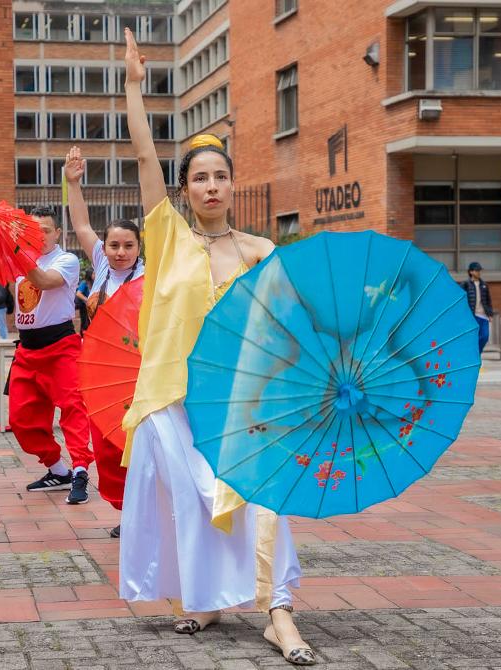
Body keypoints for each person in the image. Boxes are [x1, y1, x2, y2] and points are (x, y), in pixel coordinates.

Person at [118, 28, 314, 666]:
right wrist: (134, 89)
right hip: (173, 397)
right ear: (185, 189)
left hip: (243, 400)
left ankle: (278, 613)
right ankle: (204, 600)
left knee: (261, 499)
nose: (210, 186)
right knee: (191, 503)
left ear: (233, 184)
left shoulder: (261, 252)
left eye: (220, 176)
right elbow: (144, 159)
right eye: (199, 178)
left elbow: (288, 327)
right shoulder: (167, 238)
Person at [65, 145, 145, 538]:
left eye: (128, 245)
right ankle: (128, 512)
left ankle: (147, 515)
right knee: (107, 447)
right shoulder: (99, 266)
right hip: (100, 377)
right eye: (114, 245)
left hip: (139, 377)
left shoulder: (150, 277)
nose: (120, 252)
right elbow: (81, 225)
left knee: (139, 448)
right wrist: (73, 184)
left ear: (139, 247)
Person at [7, 205, 94, 505]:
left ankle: (80, 470)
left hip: (60, 347)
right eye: (33, 231)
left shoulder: (65, 260)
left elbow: (44, 281)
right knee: (20, 418)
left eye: (45, 230)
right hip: (27, 350)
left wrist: (15, 252)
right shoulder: (20, 260)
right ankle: (58, 470)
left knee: (73, 408)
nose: (40, 236)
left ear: (57, 233)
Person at [460, 261, 493, 354]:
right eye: (477, 270)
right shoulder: (465, 284)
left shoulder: (484, 285)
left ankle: (476, 354)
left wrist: (490, 314)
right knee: (472, 338)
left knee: (485, 337)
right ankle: (473, 355)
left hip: (483, 316)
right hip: (472, 317)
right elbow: (461, 301)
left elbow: (488, 300)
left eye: (479, 270)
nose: (479, 272)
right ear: (471, 272)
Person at [75, 268, 94, 334]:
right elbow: (78, 293)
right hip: (84, 306)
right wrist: (88, 300)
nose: (95, 275)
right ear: (89, 275)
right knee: (85, 322)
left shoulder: (95, 282)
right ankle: (83, 336)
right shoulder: (84, 283)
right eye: (94, 273)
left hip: (91, 305)